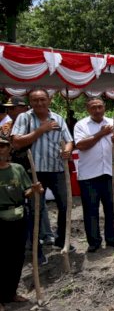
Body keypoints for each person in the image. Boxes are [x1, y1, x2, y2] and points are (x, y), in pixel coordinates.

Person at [11, 88, 74, 250]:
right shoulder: (24, 118)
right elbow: (16, 142)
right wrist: (40, 130)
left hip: (57, 169)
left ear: (49, 100)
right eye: (35, 100)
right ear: (30, 102)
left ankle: (62, 240)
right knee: (34, 209)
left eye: (42, 99)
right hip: (34, 171)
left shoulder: (58, 119)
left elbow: (69, 140)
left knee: (65, 206)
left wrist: (67, 150)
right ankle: (35, 246)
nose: (39, 103)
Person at [74, 97, 114, 252]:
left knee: (112, 209)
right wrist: (100, 134)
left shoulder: (112, 122)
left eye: (99, 107)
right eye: (93, 107)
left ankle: (113, 240)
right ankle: (94, 242)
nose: (97, 110)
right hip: (89, 176)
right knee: (91, 210)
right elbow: (81, 145)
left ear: (104, 108)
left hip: (109, 173)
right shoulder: (81, 125)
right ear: (88, 109)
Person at [0, 129, 43, 311]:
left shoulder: (17, 169)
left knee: (16, 256)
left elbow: (25, 191)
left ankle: (10, 293)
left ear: (9, 149)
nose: (0, 150)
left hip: (17, 216)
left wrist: (33, 190)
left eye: (3, 146)